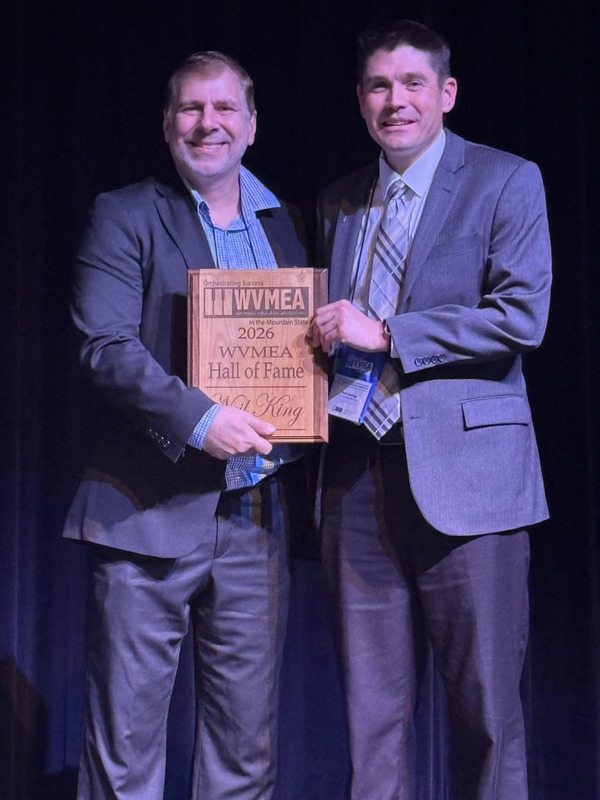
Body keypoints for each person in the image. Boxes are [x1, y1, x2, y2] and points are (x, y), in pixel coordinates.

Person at [309, 19, 551, 800]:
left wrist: (389, 335)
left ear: (446, 93)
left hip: (470, 483)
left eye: (413, 83)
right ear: (360, 100)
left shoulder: (506, 180)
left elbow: (521, 316)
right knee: (371, 723)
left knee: (485, 714)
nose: (396, 101)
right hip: (356, 478)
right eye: (379, 86)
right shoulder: (339, 200)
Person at [64, 51, 309, 799]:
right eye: (192, 109)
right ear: (168, 124)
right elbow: (105, 346)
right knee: (125, 754)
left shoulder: (286, 225)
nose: (210, 123)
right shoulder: (125, 212)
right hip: (147, 510)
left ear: (253, 124)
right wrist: (201, 420)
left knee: (245, 758)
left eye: (226, 107)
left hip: (257, 515)